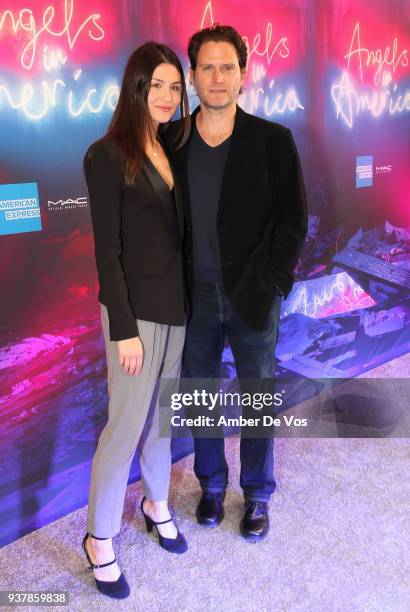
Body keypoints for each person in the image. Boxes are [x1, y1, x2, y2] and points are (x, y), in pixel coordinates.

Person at [168, 25, 307, 542]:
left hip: (252, 293)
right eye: (208, 67)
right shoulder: (172, 139)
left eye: (228, 67)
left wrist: (274, 279)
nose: (218, 76)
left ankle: (257, 494)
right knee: (200, 395)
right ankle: (210, 485)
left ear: (243, 76)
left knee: (256, 397)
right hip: (194, 296)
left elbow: (293, 218)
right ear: (193, 75)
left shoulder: (273, 141)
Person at [82, 42, 190, 599]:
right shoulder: (106, 154)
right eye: (158, 85)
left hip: (178, 309)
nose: (168, 96)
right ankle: (100, 538)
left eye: (176, 86)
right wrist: (122, 327)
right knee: (125, 425)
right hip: (134, 315)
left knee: (165, 420)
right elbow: (108, 251)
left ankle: (155, 502)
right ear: (136, 87)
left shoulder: (175, 145)